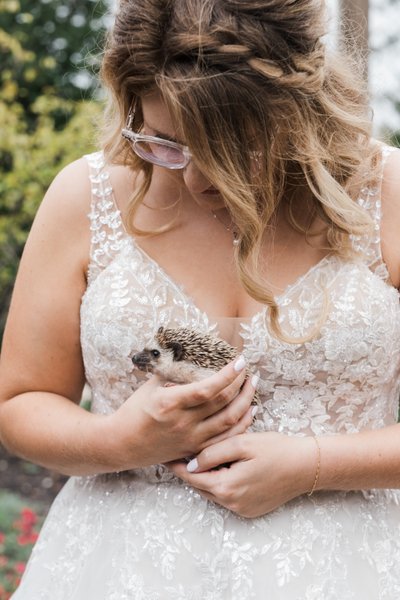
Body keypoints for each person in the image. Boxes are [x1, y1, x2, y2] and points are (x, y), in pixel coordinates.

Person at [1, 0, 400, 597]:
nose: (192, 179)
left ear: (299, 108)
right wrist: (121, 442)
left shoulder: (386, 193)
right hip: (116, 571)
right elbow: (21, 401)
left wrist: (315, 465)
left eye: (231, 148)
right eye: (163, 142)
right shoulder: (84, 197)